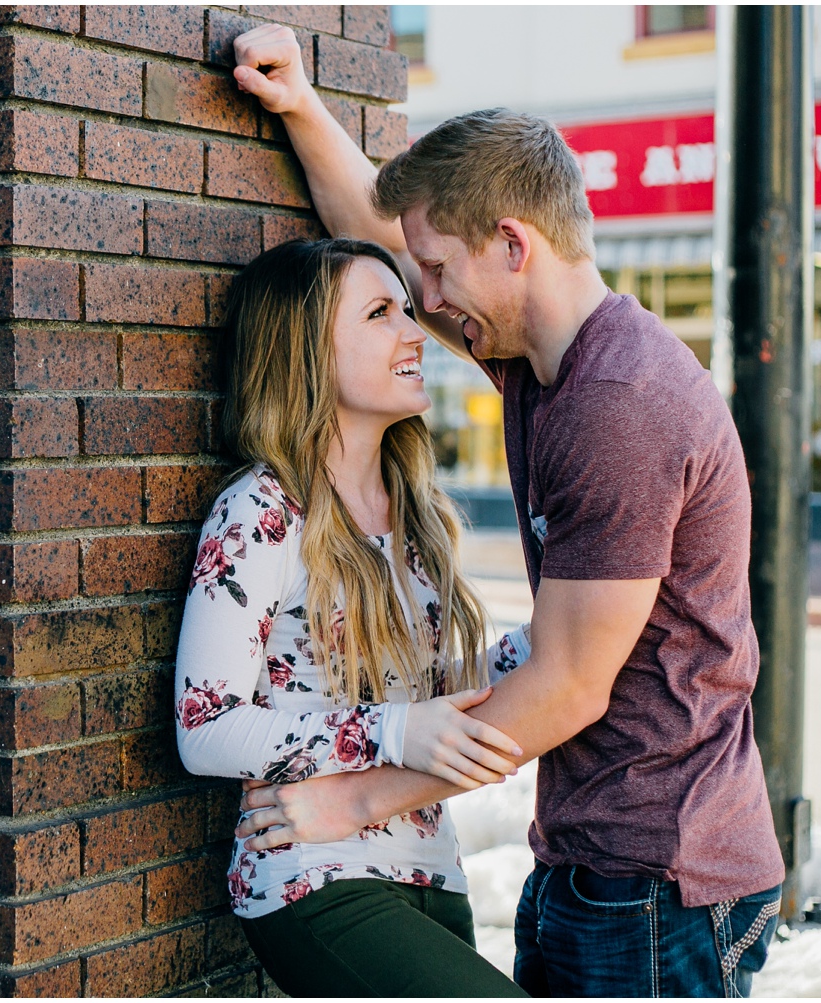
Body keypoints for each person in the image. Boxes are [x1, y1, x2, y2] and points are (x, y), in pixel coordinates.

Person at [222, 25, 786, 999]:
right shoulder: (538, 362)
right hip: (597, 857)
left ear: (513, 246)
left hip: (659, 885)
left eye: (437, 274)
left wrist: (347, 801)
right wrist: (300, 104)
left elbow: (567, 686)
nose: (424, 303)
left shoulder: (620, 405)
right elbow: (381, 227)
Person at [175, 236, 532, 997]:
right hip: (312, 875)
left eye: (407, 308)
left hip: (433, 865)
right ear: (308, 355)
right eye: (380, 313)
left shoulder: (417, 510)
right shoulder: (262, 511)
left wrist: (559, 640)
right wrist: (394, 731)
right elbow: (203, 727)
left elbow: (435, 692)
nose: (415, 332)